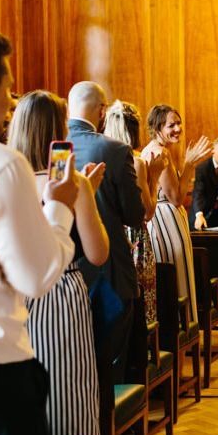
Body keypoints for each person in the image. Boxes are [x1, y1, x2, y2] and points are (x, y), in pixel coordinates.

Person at [0, 31, 78, 435]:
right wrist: (60, 205)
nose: (10, 103)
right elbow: (37, 276)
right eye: (8, 88)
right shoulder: (2, 167)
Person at [8, 90, 110, 435]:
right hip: (61, 300)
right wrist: (87, 197)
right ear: (57, 134)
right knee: (64, 418)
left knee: (22, 418)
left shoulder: (1, 180)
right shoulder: (70, 182)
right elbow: (98, 253)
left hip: (11, 302)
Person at [67, 81, 146, 383]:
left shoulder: (50, 146)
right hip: (108, 269)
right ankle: (112, 425)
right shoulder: (114, 150)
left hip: (63, 269)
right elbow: (134, 214)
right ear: (102, 110)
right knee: (110, 358)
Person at [142, 104, 211, 327]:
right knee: (176, 278)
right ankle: (181, 333)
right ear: (157, 127)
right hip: (167, 224)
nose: (178, 129)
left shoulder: (152, 149)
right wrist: (190, 164)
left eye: (179, 123)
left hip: (161, 222)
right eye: (171, 125)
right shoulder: (160, 152)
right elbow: (176, 197)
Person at [104, 100, 167, 325]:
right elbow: (147, 212)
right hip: (135, 238)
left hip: (111, 236)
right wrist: (156, 175)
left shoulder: (102, 156)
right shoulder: (135, 161)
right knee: (142, 302)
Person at [190, 136, 218, 231]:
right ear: (213, 151)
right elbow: (198, 193)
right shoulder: (202, 168)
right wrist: (199, 214)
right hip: (202, 213)